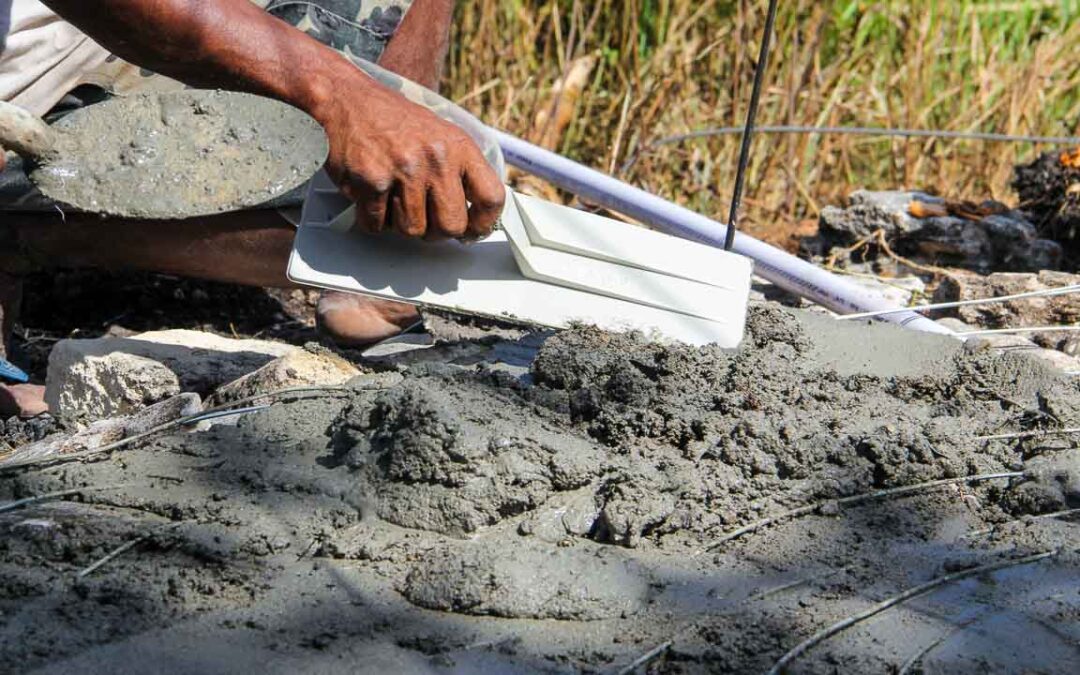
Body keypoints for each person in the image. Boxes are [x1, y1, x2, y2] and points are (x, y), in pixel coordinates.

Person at [0, 0, 506, 417]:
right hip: (25, 101)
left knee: (430, 181)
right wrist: (341, 97)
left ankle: (371, 286)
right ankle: (26, 231)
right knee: (445, 173)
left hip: (82, 39)